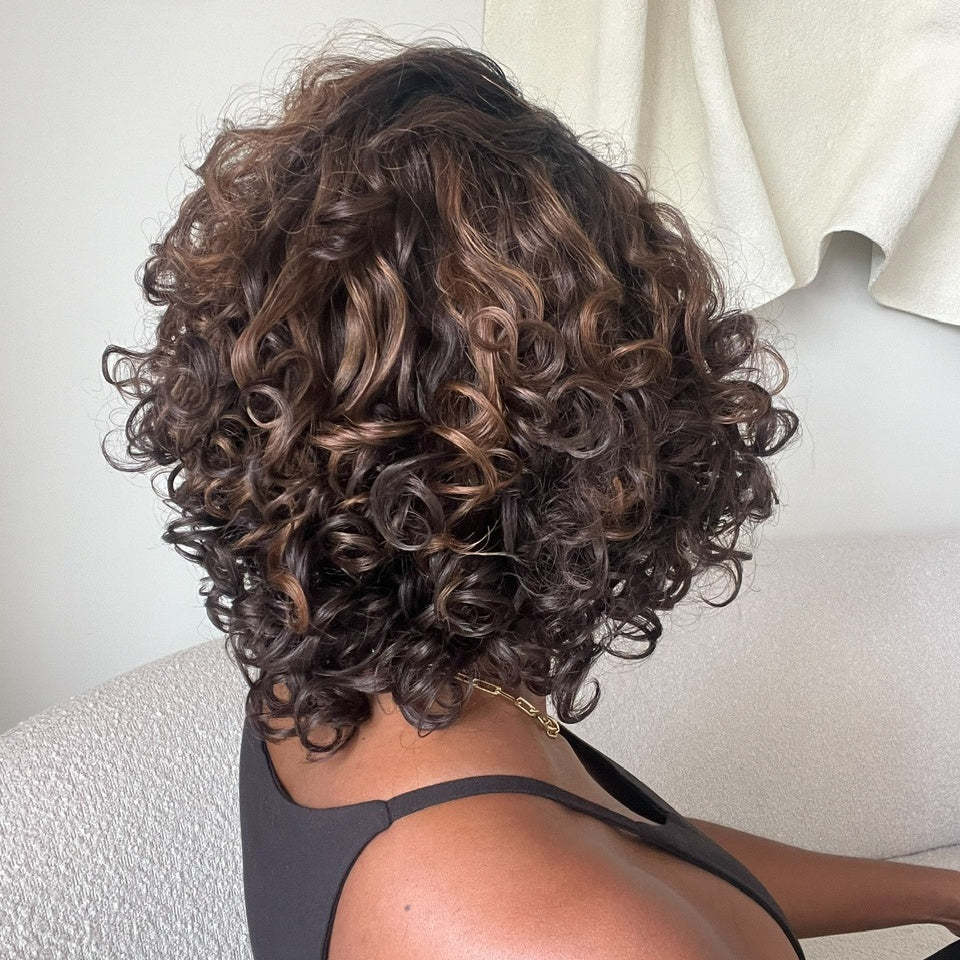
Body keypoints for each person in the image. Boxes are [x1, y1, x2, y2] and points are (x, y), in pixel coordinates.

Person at [101, 30, 960, 960]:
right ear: (609, 445)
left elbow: (643, 858)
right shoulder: (551, 924)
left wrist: (937, 891)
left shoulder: (340, 679)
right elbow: (597, 911)